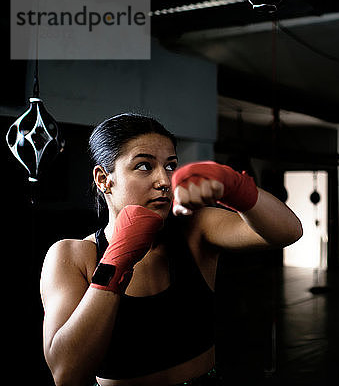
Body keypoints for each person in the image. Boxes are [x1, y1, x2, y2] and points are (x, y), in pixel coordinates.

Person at [39, 113, 303, 386]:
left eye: (170, 166)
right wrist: (115, 262)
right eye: (144, 166)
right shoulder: (72, 256)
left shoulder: (194, 229)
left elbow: (289, 231)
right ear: (104, 179)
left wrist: (234, 185)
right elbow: (66, 374)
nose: (164, 180)